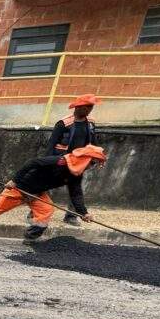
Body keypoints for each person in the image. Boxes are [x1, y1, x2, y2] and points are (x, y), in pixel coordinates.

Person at [0, 144, 107, 243]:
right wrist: (14, 180)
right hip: (20, 188)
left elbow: (76, 194)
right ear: (85, 160)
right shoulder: (59, 161)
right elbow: (33, 162)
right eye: (92, 163)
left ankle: (31, 237)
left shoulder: (75, 175)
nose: (91, 167)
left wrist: (83, 212)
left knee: (46, 210)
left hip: (38, 193)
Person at [45, 94, 100, 226]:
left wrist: (97, 156)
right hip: (61, 160)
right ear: (78, 107)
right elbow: (51, 144)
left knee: (75, 189)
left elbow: (94, 142)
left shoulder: (90, 123)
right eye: (87, 107)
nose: (89, 110)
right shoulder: (64, 123)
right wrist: (48, 162)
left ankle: (71, 216)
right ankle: (37, 212)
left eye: (91, 107)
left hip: (78, 162)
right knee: (48, 185)